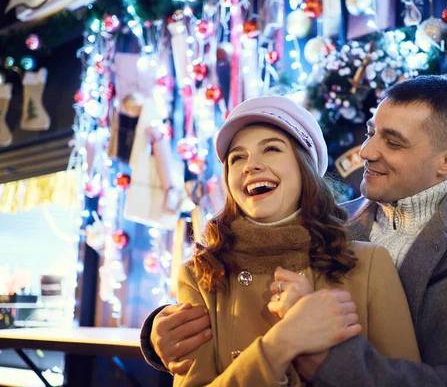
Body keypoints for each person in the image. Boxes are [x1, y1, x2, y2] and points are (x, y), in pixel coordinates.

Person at [141, 76, 447, 386]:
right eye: (371, 132)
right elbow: (239, 283)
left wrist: (333, 361)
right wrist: (161, 332)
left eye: (393, 142)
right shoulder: (326, 225)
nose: (367, 151)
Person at [160, 95, 421, 386]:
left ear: (304, 168)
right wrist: (282, 343)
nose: (251, 166)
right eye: (238, 158)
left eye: (271, 149)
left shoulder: (369, 264)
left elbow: (404, 381)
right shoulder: (200, 274)